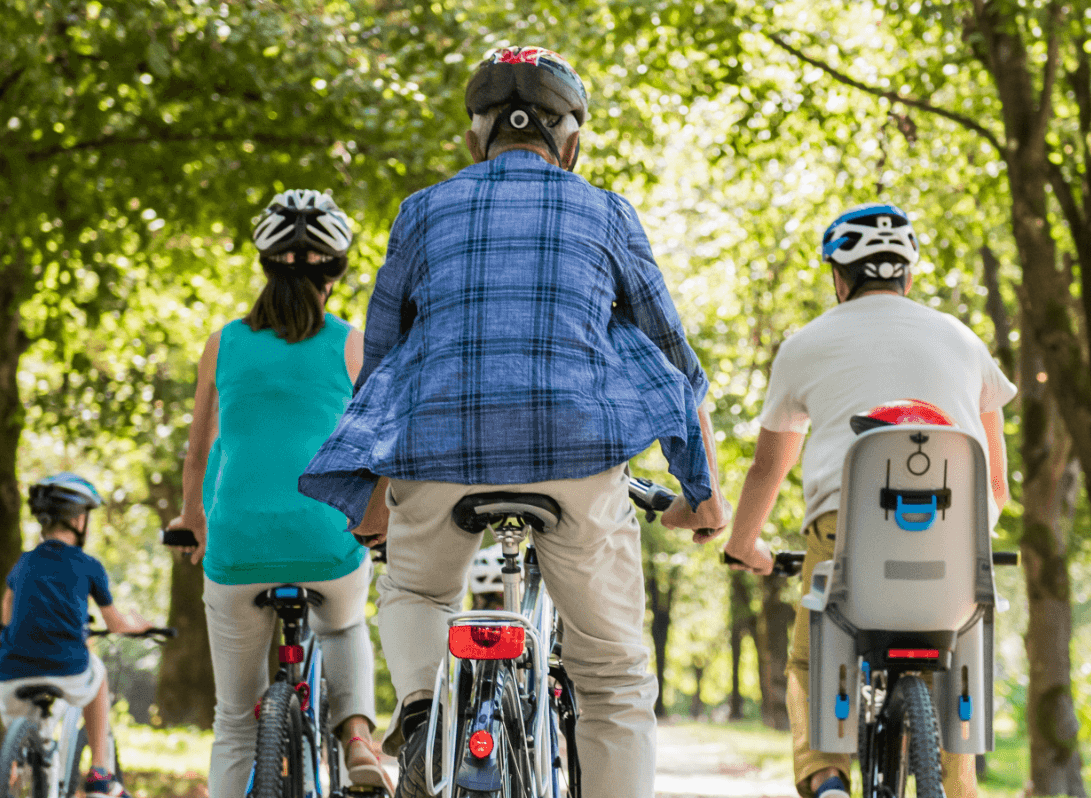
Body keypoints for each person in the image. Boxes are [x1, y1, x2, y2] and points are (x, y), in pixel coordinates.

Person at [297, 45, 728, 798]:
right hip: (579, 453)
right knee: (615, 676)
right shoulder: (606, 210)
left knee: (416, 591)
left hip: (437, 451)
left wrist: (370, 487)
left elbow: (385, 362)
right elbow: (674, 362)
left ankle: (428, 711)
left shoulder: (420, 212)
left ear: (475, 139)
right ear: (573, 143)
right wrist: (702, 493)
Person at [719, 204, 1015, 798]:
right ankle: (959, 787)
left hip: (843, 533)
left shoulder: (805, 344)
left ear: (838, 276)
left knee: (809, 659)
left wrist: (742, 544)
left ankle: (827, 779)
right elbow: (998, 487)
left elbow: (768, 466)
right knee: (963, 641)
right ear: (907, 275)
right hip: (956, 540)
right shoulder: (963, 340)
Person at [161, 189, 392, 797]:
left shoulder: (224, 342)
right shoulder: (354, 342)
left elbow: (198, 450)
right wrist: (377, 518)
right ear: (336, 272)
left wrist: (193, 520)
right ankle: (357, 739)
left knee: (235, 721)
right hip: (326, 537)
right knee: (343, 626)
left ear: (264, 266)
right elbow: (380, 449)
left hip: (237, 542)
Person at [0, 473, 156, 796]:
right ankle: (100, 771)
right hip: (65, 668)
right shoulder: (87, 565)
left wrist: (12, 628)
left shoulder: (24, 563)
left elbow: (8, 605)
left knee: (25, 739)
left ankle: (12, 773)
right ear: (79, 519)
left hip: (11, 675)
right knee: (97, 674)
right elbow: (114, 624)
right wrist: (138, 625)